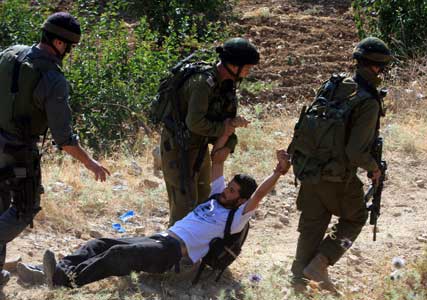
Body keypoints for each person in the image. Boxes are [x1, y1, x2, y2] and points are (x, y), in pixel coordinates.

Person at [17, 127, 291, 288]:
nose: (226, 190)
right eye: (228, 186)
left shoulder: (236, 217)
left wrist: (278, 171)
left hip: (172, 254)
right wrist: (228, 130)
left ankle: (64, 280)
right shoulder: (217, 197)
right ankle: (56, 271)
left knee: (118, 255)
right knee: (100, 243)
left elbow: (258, 197)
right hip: (160, 238)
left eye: (232, 190)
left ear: (241, 200)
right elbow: (217, 160)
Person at [0, 12, 110, 288]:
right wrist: (91, 163)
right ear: (60, 44)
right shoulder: (52, 78)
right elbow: (65, 140)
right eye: (70, 47)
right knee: (24, 210)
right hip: (17, 153)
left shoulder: (9, 53)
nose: (69, 53)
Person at [290, 37, 393, 292]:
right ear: (377, 67)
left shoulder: (334, 84)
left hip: (309, 168)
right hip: (337, 176)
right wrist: (374, 167)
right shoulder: (368, 100)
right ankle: (322, 262)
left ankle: (298, 281)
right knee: (356, 217)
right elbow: (355, 151)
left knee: (313, 224)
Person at [161, 37, 260, 225]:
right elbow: (196, 123)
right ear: (233, 64)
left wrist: (229, 144)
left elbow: (224, 121)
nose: (248, 71)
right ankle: (174, 250)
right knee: (183, 207)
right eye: (246, 66)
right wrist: (226, 127)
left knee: (203, 201)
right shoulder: (202, 83)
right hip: (178, 147)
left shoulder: (226, 85)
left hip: (198, 147)